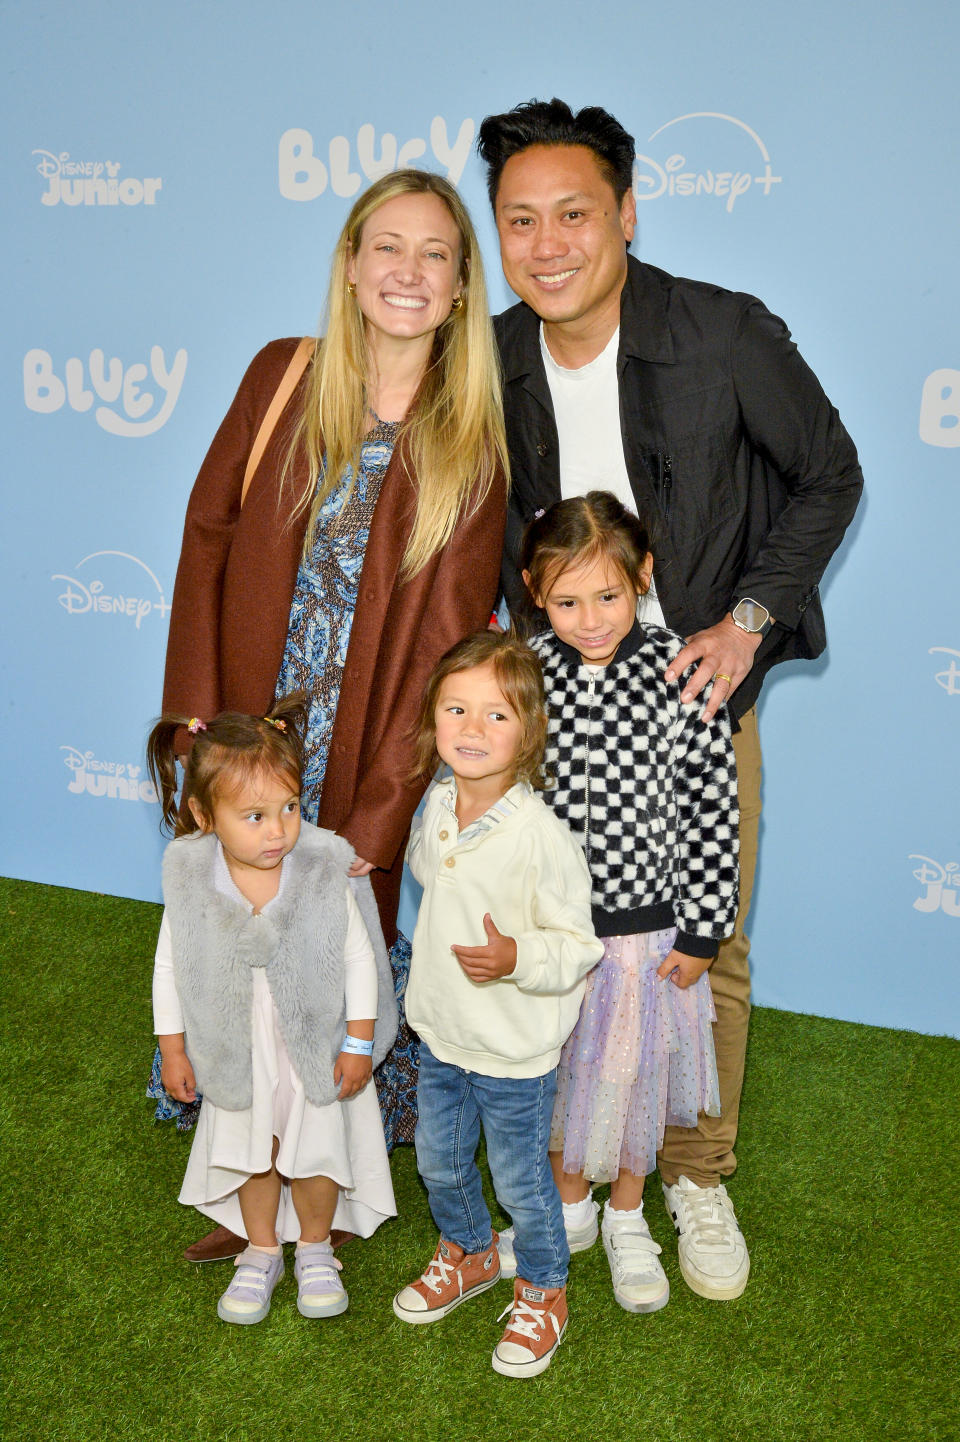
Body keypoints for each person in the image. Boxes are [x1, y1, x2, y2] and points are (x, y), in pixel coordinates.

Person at [476, 99, 864, 1301]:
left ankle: (695, 1169)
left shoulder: (724, 333)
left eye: (574, 214)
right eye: (520, 221)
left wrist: (746, 623)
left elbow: (829, 472)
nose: (548, 245)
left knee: (702, 939)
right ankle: (569, 1162)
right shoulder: (485, 355)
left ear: (628, 213)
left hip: (689, 697)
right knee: (552, 932)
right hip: (550, 704)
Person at [155, 169, 509, 1259]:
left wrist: (381, 813)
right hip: (251, 723)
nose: (407, 271)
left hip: (367, 748)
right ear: (351, 267)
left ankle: (332, 1190)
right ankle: (237, 1165)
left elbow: (450, 648)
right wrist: (197, 726)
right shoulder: (283, 376)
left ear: (459, 288)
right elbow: (208, 537)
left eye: (435, 254)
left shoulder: (469, 435)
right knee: (233, 934)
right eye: (386, 246)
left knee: (333, 964)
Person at [500, 491, 737, 1313]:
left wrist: (705, 929)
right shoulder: (522, 675)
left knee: (633, 1077)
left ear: (642, 577)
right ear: (535, 590)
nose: (591, 618)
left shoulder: (682, 675)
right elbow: (496, 791)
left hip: (646, 937)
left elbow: (713, 811)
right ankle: (567, 1210)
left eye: (609, 595)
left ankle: (629, 1216)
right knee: (563, 1074)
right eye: (567, 601)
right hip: (553, 936)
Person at [146, 695, 398, 1325]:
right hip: (237, 1043)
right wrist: (173, 1046)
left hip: (311, 1040)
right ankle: (261, 1249)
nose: (278, 830)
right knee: (253, 1147)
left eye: (289, 808)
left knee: (313, 1147)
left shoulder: (318, 870)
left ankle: (314, 1246)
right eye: (254, 816)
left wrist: (359, 1042)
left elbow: (357, 958)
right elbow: (170, 964)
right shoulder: (190, 879)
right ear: (204, 815)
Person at [392, 631, 603, 1378]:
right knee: (439, 1165)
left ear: (531, 732)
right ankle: (470, 1252)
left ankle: (544, 1288)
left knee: (521, 1182)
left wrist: (517, 956)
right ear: (433, 718)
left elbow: (579, 946)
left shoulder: (540, 837)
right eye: (456, 709)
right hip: (442, 1036)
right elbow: (427, 873)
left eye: (496, 715)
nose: (472, 729)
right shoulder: (438, 800)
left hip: (514, 1051)